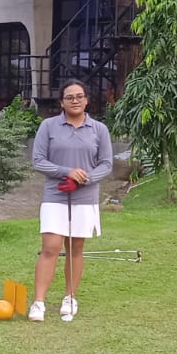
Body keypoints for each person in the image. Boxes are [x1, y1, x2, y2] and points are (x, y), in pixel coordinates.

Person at [29, 79, 112, 322]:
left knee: (76, 248)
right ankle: (38, 302)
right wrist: (67, 172)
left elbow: (106, 164)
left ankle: (70, 297)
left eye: (79, 96)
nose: (75, 101)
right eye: (69, 97)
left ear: (86, 100)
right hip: (55, 195)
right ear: (62, 103)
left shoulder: (99, 129)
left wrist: (85, 179)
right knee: (50, 247)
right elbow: (38, 161)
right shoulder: (48, 126)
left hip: (85, 197)